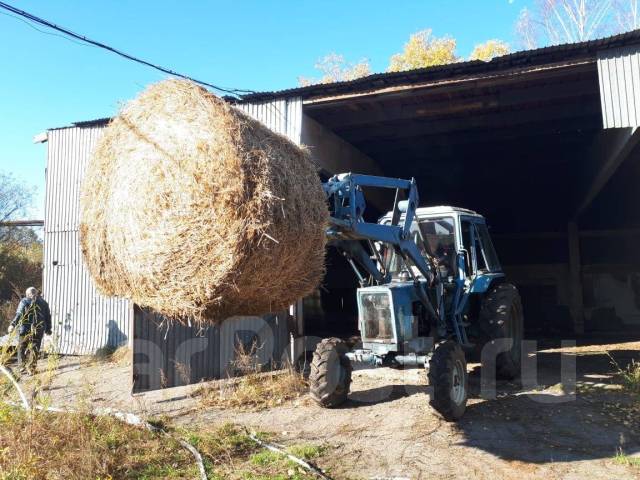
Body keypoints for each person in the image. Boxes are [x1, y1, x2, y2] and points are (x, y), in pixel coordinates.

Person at [7, 287, 51, 374]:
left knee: (21, 346)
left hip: (25, 328)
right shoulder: (44, 302)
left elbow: (19, 314)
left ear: (27, 294)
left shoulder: (24, 301)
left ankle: (21, 366)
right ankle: (31, 368)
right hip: (38, 329)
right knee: (35, 348)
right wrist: (48, 329)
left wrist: (12, 324)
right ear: (37, 293)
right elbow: (48, 317)